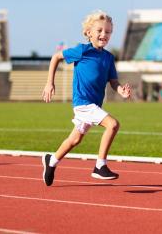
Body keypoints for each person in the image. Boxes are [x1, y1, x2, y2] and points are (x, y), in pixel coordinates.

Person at [42, 10, 131, 186]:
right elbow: (56, 57)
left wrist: (121, 90)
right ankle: (100, 165)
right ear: (89, 32)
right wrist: (49, 83)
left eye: (108, 32)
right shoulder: (82, 51)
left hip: (94, 104)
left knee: (75, 139)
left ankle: (51, 161)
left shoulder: (108, 57)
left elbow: (113, 81)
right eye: (99, 31)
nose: (103, 35)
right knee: (113, 124)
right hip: (83, 103)